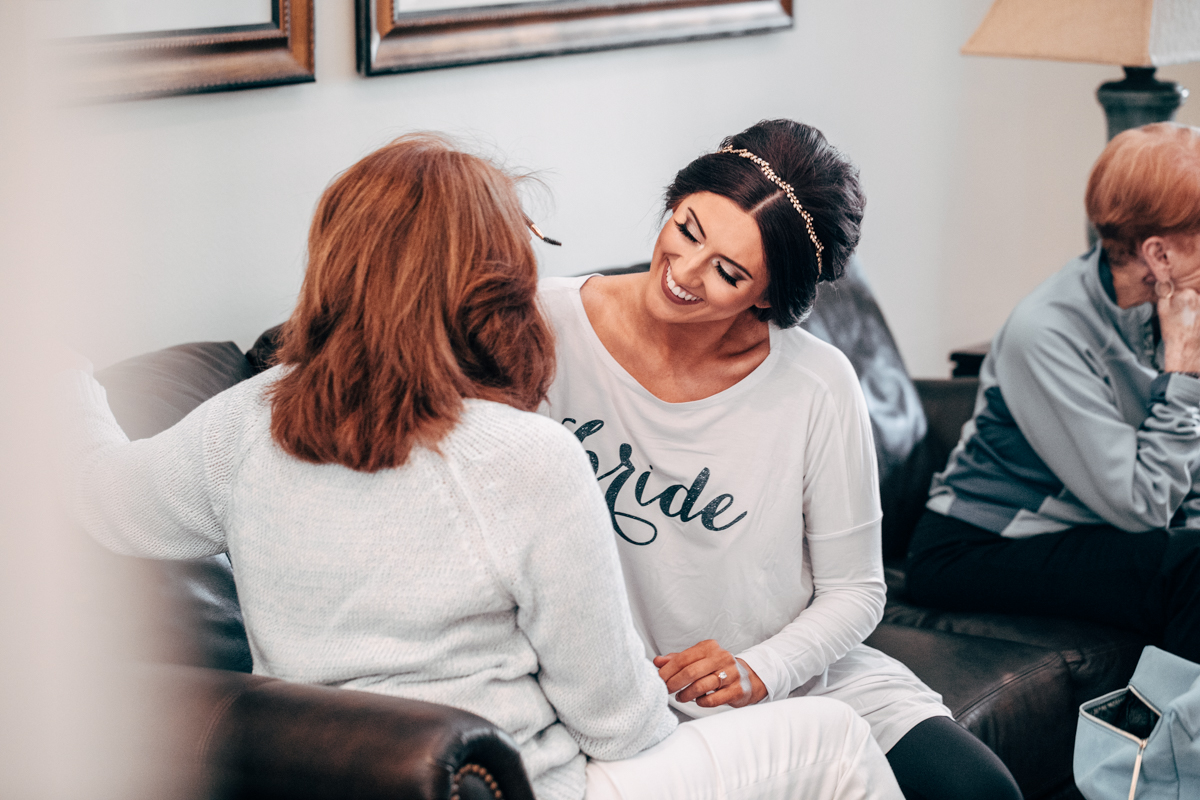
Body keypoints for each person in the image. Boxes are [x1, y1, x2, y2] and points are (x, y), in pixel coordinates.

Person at [64, 134, 904, 800]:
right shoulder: (527, 457)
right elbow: (621, 728)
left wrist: (52, 366)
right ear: (485, 278)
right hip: (518, 782)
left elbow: (103, 499)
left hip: (329, 774)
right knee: (833, 741)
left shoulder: (247, 421)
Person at [538, 119, 1023, 800]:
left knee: (979, 792)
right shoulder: (545, 327)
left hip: (788, 675)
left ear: (767, 296)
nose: (683, 273)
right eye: (686, 229)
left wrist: (759, 669)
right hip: (628, 703)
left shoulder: (816, 384)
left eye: (728, 272)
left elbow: (857, 590)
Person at [906, 122, 1200, 664]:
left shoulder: (1181, 302)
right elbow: (1143, 506)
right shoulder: (1045, 333)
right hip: (977, 546)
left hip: (1091, 526)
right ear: (1159, 255)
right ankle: (1163, 747)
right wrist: (1184, 376)